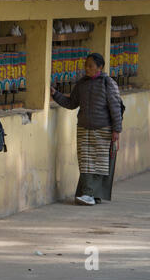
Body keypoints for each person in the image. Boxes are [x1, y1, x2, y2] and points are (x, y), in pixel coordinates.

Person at [51, 53, 123, 206]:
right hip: (83, 128)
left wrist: (116, 130)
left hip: (103, 129)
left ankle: (91, 194)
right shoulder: (81, 84)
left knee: (99, 161)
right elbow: (71, 103)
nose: (87, 68)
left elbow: (115, 107)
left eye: (91, 65)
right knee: (85, 161)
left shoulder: (108, 83)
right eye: (86, 65)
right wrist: (55, 94)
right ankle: (89, 193)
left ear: (100, 67)